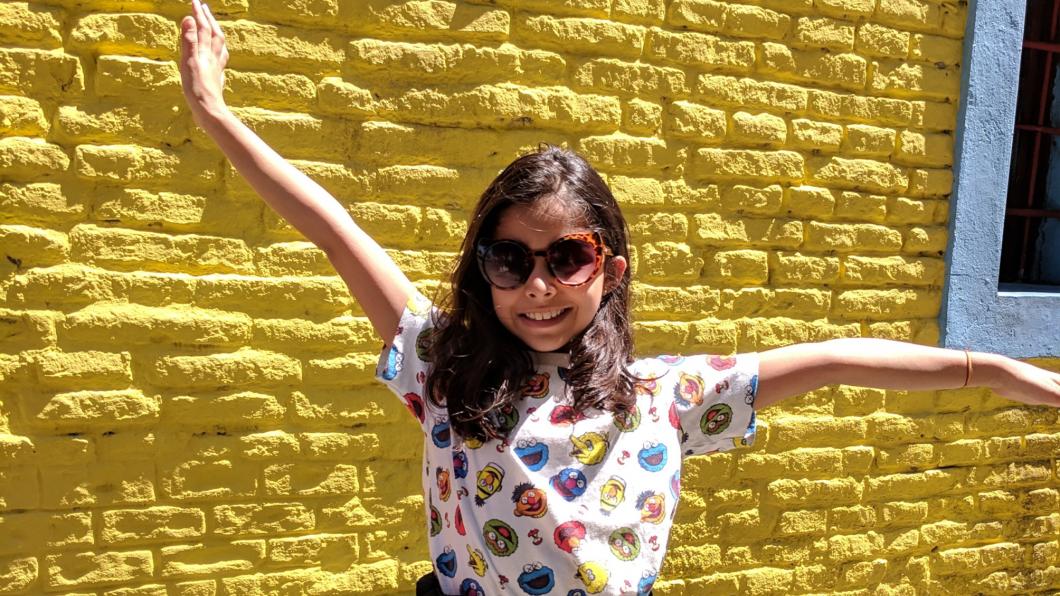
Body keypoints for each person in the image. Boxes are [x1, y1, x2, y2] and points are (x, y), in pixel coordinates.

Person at [177, 2, 1060, 594]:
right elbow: (333, 228)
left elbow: (838, 360)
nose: (540, 286)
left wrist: (995, 369)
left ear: (612, 266)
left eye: (568, 255)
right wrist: (216, 112)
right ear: (483, 271)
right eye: (510, 260)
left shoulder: (663, 396)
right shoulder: (442, 368)